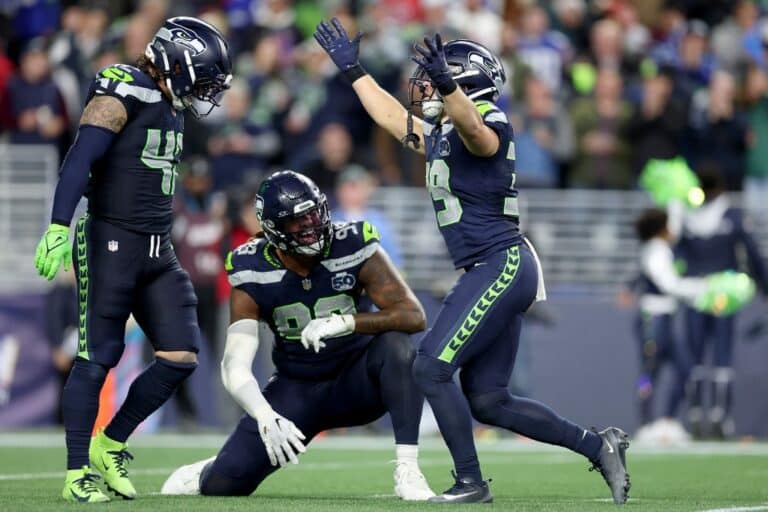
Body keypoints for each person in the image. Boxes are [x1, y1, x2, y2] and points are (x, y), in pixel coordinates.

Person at [314, 18, 630, 504]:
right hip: (492, 266)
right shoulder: (441, 133)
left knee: (429, 367)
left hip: (499, 263)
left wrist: (448, 86)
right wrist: (353, 71)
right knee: (489, 399)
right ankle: (597, 445)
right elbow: (392, 117)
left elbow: (478, 132)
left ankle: (470, 482)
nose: (425, 88)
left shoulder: (489, 122)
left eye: (439, 79)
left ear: (463, 82)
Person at [33, 17, 232, 502]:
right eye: (202, 76)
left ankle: (111, 441)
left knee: (181, 354)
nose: (206, 90)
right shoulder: (124, 85)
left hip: (157, 247)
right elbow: (81, 157)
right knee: (98, 355)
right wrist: (60, 223)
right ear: (175, 62)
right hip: (110, 240)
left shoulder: (169, 101)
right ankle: (77, 470)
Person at [161, 171, 435, 500]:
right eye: (297, 220)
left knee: (397, 347)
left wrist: (347, 322)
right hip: (297, 391)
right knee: (225, 485)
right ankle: (211, 468)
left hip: (357, 382)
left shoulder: (353, 242)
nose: (310, 225)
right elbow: (234, 363)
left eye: (313, 213)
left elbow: (414, 316)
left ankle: (408, 469)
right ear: (274, 228)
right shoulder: (251, 266)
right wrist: (264, 415)